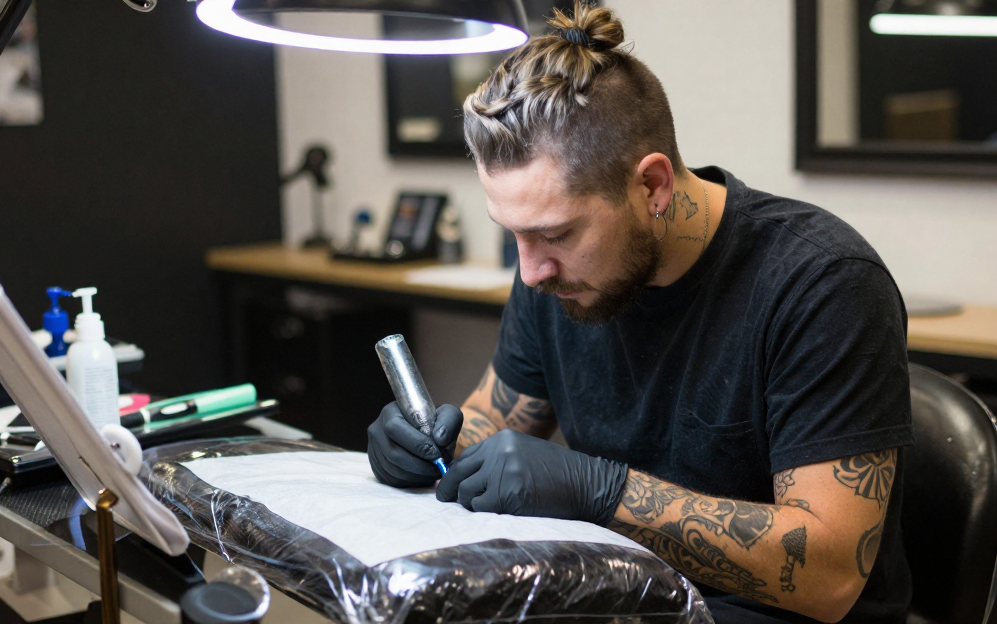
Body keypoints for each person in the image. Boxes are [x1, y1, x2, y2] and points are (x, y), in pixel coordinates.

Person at [366, 3, 913, 622]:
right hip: (625, 593)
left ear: (652, 185)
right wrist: (429, 444)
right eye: (513, 232)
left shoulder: (821, 283)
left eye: (555, 234)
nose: (531, 270)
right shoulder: (557, 275)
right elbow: (494, 418)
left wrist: (601, 491)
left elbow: (828, 574)